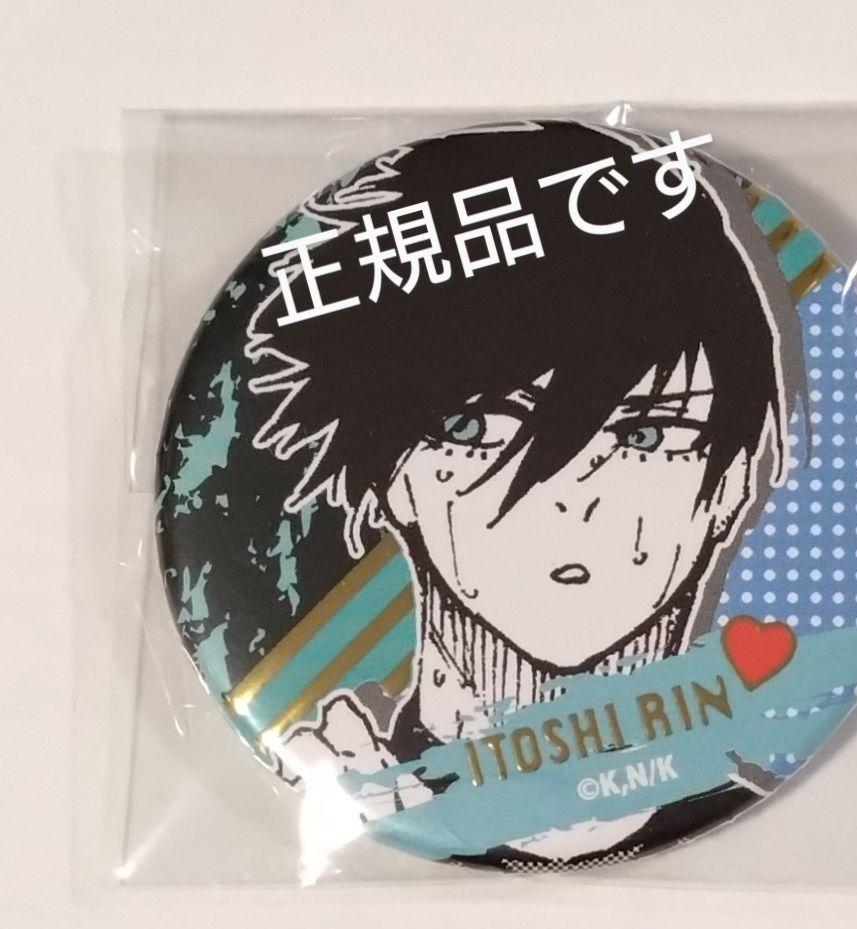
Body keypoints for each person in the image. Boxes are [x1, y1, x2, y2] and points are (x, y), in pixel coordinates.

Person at [245, 120, 802, 860]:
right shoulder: (338, 783)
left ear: (732, 484)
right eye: (476, 428)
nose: (569, 496)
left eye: (644, 435)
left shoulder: (773, 830)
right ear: (393, 479)